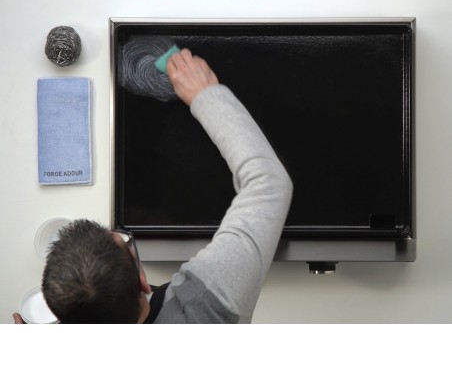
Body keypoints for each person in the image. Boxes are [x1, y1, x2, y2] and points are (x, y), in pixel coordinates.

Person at [13, 48, 293, 324]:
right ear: (143, 283)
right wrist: (206, 96)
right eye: (124, 242)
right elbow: (269, 182)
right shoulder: (208, 304)